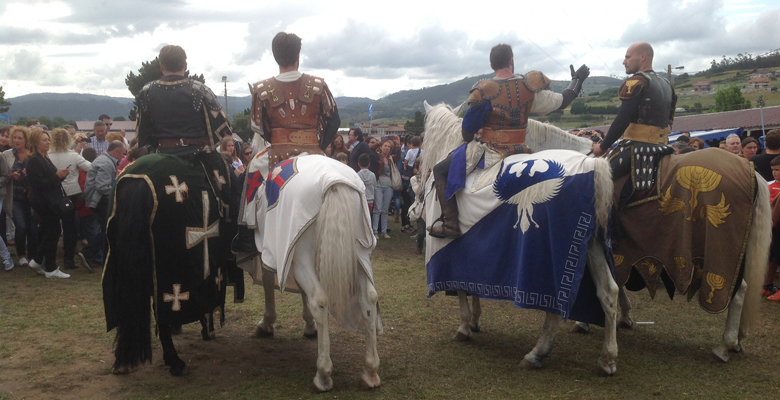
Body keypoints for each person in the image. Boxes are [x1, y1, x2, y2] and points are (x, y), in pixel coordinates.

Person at [430, 43, 590, 238]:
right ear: (511, 61)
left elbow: (467, 132)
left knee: (439, 169)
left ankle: (450, 224)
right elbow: (562, 101)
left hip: (491, 153)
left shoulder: (484, 91)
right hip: (522, 150)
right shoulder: (529, 88)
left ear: (491, 65)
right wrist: (577, 81)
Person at [590, 42, 677, 204]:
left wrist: (601, 147)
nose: (624, 61)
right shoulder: (667, 85)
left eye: (628, 57)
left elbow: (622, 119)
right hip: (663, 148)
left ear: (643, 57)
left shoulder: (636, 81)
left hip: (638, 149)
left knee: (592, 184)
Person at [249, 32, 340, 168]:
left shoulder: (261, 90)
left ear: (275, 57)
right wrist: (318, 147)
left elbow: (261, 128)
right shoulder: (318, 85)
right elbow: (334, 121)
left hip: (277, 155)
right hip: (313, 152)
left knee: (252, 174)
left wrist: (277, 141)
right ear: (298, 56)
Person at [25, 130, 72, 278]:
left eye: (48, 139)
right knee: (53, 231)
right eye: (44, 140)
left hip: (50, 199)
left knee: (49, 231)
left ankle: (43, 263)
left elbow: (50, 180)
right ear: (35, 143)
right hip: (44, 202)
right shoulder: (34, 160)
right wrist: (56, 176)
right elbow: (38, 184)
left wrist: (61, 176)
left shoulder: (45, 158)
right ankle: (45, 263)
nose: (47, 142)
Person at [48, 128, 92, 270]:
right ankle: (68, 259)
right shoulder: (73, 156)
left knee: (52, 227)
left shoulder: (47, 156)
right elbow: (90, 167)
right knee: (70, 228)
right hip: (71, 194)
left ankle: (49, 257)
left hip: (53, 194)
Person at [82, 141, 126, 268]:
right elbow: (102, 187)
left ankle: (96, 255)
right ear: (116, 152)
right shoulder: (106, 163)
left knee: (107, 227)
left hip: (99, 199)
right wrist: (118, 192)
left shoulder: (105, 161)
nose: (123, 157)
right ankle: (88, 253)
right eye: (123, 154)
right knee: (109, 228)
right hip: (100, 200)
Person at [3, 126, 38, 266]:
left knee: (32, 227)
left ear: (26, 140)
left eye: (20, 138)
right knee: (21, 225)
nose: (16, 141)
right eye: (14, 138)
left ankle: (33, 254)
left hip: (31, 196)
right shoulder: (7, 155)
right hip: (15, 196)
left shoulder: (32, 155)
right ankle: (21, 253)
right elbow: (2, 174)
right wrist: (11, 176)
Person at [372, 140, 398, 238]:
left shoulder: (391, 158)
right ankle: (375, 231)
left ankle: (384, 231)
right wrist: (378, 143)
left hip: (389, 185)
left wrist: (398, 145)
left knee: (385, 209)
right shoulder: (377, 156)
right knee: (377, 209)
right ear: (381, 147)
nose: (387, 148)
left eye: (389, 147)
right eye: (385, 146)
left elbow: (399, 156)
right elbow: (372, 149)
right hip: (378, 184)